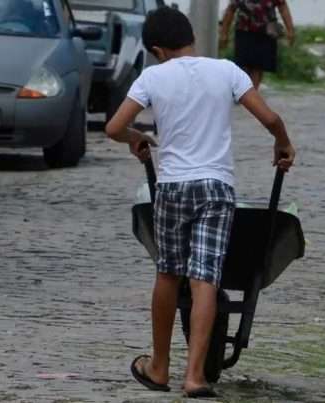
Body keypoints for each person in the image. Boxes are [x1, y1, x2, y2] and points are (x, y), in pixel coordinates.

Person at [105, 7, 295, 398]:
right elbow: (271, 118)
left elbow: (113, 127)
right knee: (205, 277)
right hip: (216, 187)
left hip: (173, 186)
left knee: (168, 274)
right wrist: (283, 144)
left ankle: (158, 367)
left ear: (158, 49)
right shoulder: (227, 70)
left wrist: (136, 139)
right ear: (190, 36)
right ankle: (195, 377)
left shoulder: (153, 77)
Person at [220, 0, 295, 90]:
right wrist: (224, 33)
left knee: (258, 67)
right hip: (244, 31)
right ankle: (244, 92)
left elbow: (283, 7)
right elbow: (231, 9)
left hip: (266, 33)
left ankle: (252, 93)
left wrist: (290, 30)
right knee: (243, 65)